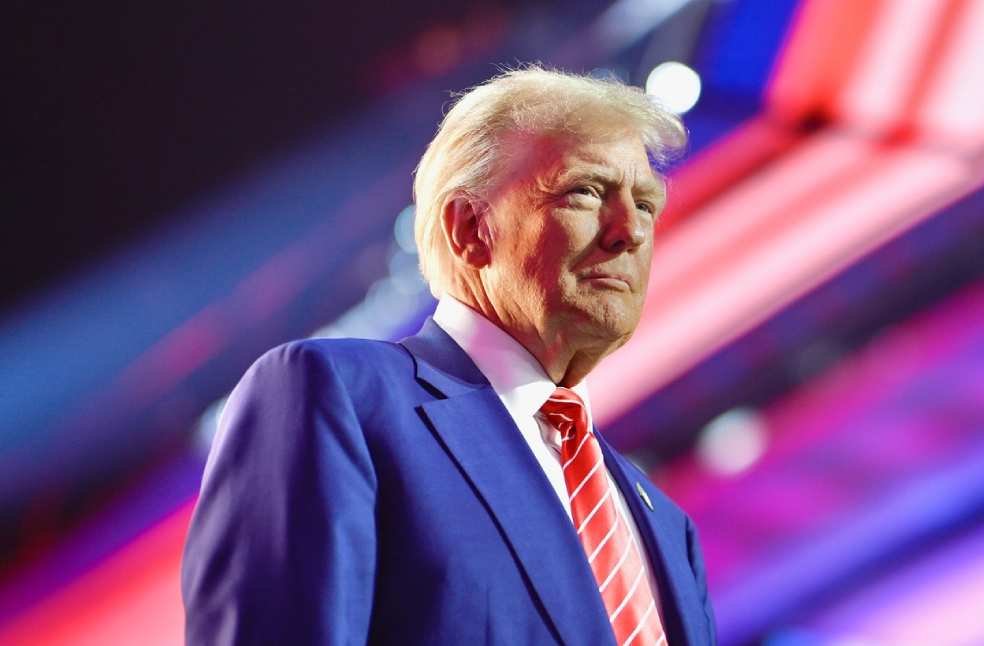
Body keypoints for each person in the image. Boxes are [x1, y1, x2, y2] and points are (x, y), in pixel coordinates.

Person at [182, 66, 716, 646]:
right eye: (585, 191)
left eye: (645, 204)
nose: (629, 232)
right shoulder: (339, 397)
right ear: (470, 228)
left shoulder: (666, 529)